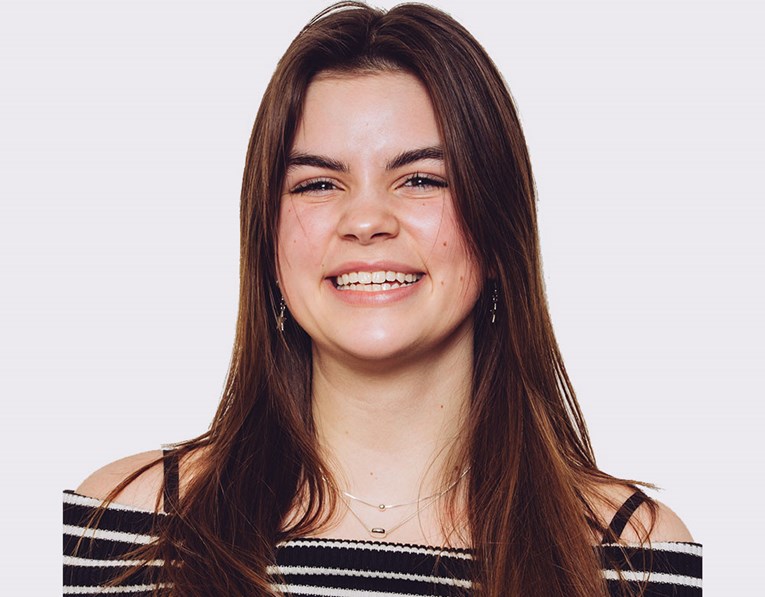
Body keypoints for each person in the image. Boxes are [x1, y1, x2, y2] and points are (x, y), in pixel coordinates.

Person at [63, 2, 702, 595]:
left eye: (420, 179)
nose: (365, 218)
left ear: (498, 229)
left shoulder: (632, 556)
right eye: (317, 184)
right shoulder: (122, 532)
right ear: (268, 239)